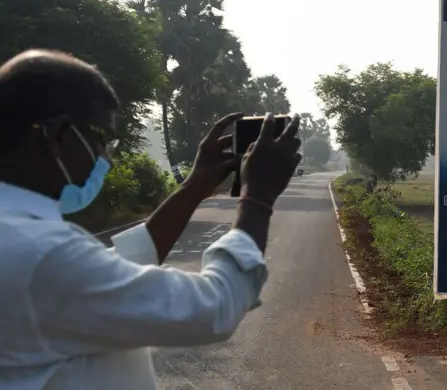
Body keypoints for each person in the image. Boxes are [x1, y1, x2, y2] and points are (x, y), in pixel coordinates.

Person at [0, 50, 301, 389]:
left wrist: (194, 187)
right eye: (102, 139)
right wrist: (258, 196)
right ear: (57, 135)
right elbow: (213, 307)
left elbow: (104, 276)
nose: (105, 158)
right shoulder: (41, 253)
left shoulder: (19, 240)